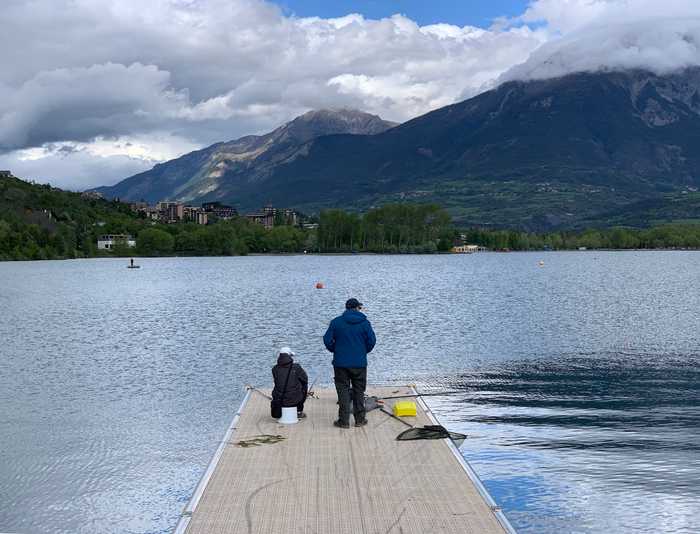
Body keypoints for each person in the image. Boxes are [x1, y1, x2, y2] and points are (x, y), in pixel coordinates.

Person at [323, 298, 376, 428]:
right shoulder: (365, 323)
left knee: (343, 391)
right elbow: (372, 341)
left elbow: (327, 340)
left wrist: (335, 350)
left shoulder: (336, 322)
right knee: (359, 391)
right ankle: (360, 420)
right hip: (359, 363)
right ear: (357, 308)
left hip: (341, 363)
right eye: (360, 307)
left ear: (346, 308)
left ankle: (344, 421)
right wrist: (363, 351)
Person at [271, 347, 309, 418]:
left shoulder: (274, 369)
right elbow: (305, 380)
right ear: (289, 357)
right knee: (304, 385)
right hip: (294, 400)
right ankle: (299, 411)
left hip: (279, 399)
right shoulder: (297, 367)